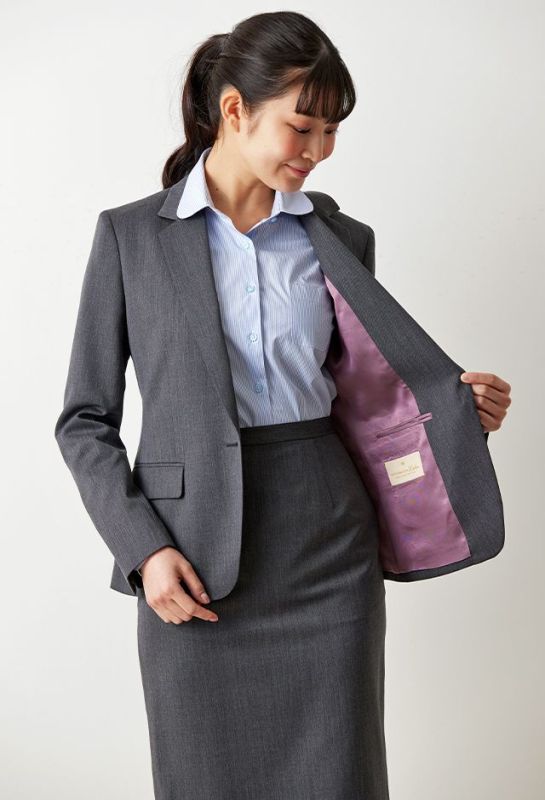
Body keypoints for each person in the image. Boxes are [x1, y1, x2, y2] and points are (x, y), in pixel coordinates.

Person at [54, 10, 511, 800]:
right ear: (234, 110)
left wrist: (456, 410)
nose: (319, 150)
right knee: (202, 776)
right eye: (303, 126)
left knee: (337, 775)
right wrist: (142, 549)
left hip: (324, 543)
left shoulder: (339, 237)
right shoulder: (131, 238)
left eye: (332, 131)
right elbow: (83, 421)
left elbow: (367, 395)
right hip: (191, 554)